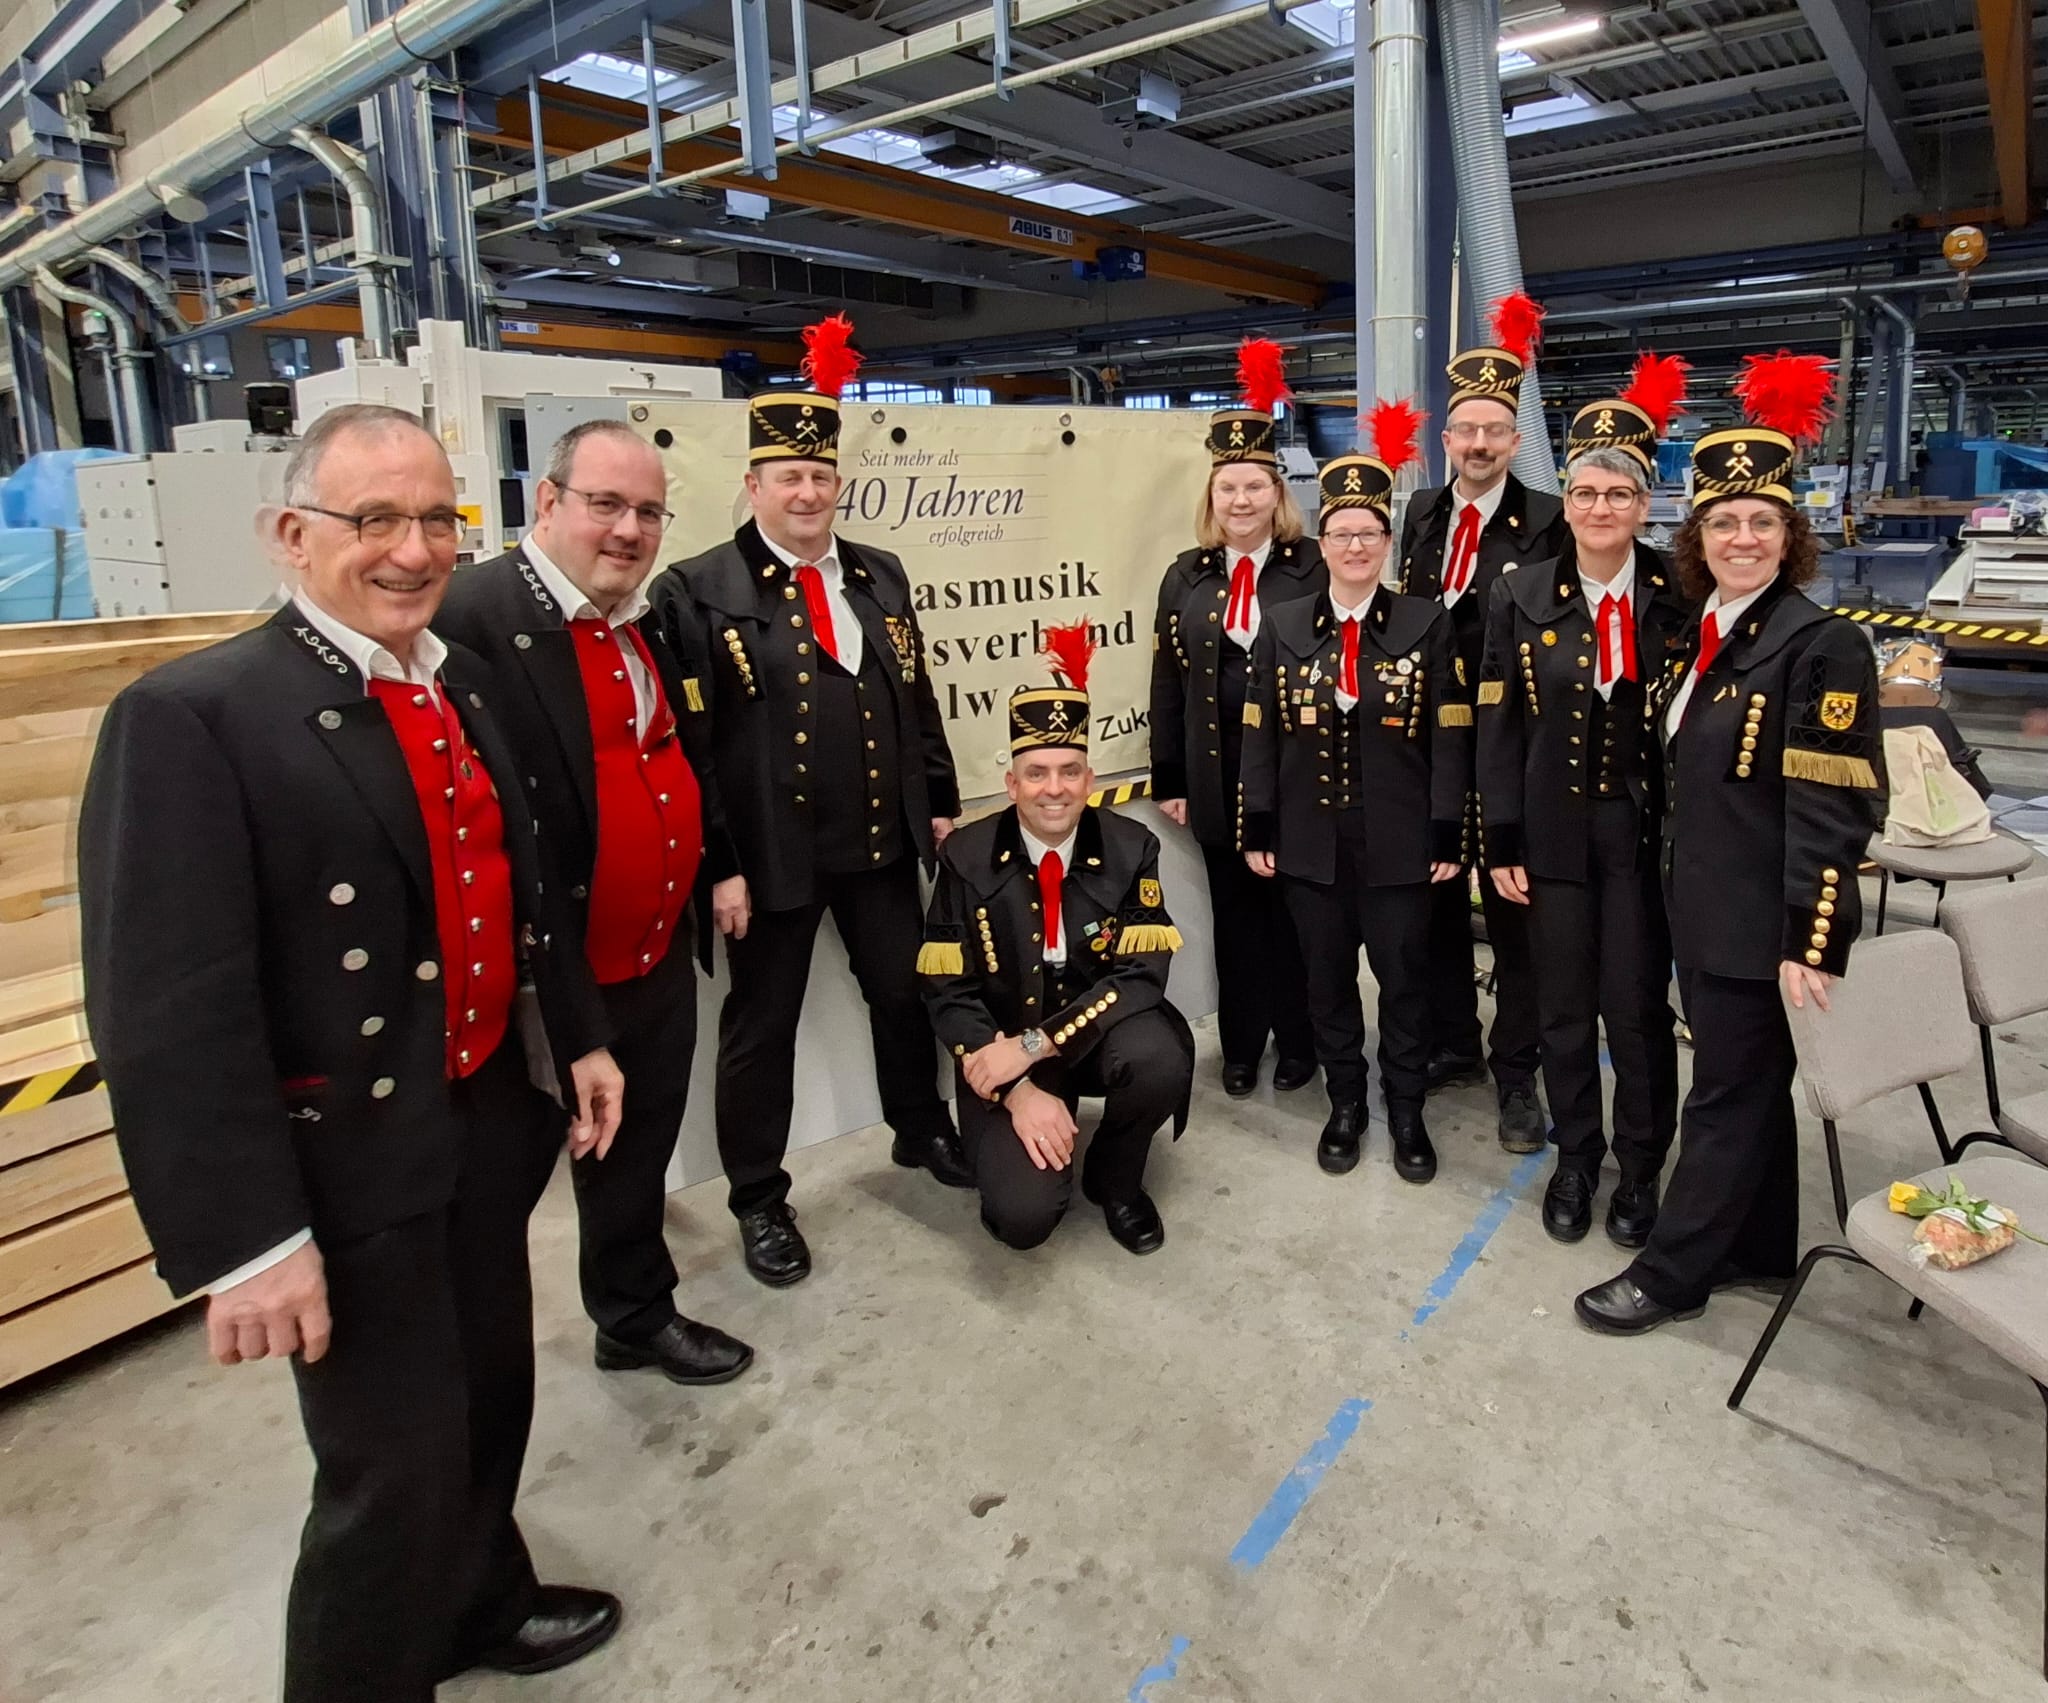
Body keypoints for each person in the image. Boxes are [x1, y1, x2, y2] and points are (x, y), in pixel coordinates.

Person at [79, 403, 628, 1700]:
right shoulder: (195, 715)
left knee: (489, 1392)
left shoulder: (456, 677)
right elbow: (168, 1005)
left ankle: (477, 1600)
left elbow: (521, 881)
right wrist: (247, 1241)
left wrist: (578, 1037)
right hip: (348, 1159)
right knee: (388, 1469)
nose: (413, 549)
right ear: (290, 531)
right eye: (373, 517)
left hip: (480, 1118)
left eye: (437, 518)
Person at [648, 314, 968, 1289]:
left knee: (903, 992)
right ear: (753, 485)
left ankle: (919, 1125)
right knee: (762, 1028)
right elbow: (688, 746)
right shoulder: (696, 588)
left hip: (880, 843)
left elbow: (915, 696)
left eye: (820, 475)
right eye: (787, 476)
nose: (806, 491)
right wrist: (718, 865)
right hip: (769, 856)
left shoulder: (879, 574)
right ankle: (758, 1195)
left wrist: (939, 800)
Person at [434, 419, 753, 1388]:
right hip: (543, 980)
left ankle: (633, 1314)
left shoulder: (641, 617)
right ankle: (465, 1397)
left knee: (636, 1151)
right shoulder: (469, 618)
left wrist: (716, 862)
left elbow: (684, 754)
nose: (628, 529)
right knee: (499, 1195)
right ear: (546, 500)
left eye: (648, 511)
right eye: (605, 504)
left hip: (653, 954)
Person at [1575, 351, 1885, 1334]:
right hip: (1699, 908)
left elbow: (1835, 803)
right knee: (1748, 1084)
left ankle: (1671, 1273)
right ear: (1696, 537)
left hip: (1760, 920)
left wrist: (1811, 933)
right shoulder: (1703, 636)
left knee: (1723, 1093)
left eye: (1761, 521)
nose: (1741, 537)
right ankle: (1757, 1244)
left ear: (1789, 537)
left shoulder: (1819, 643)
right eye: (1723, 522)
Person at [1477, 355, 1695, 1251]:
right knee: (1561, 1005)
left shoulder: (1680, 597)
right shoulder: (1521, 592)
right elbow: (1497, 726)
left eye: (1619, 494)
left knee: (1636, 1010)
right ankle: (1576, 1157)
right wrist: (1500, 841)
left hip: (1643, 838)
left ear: (1645, 506)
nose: (1600, 508)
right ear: (1565, 502)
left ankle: (1640, 1167)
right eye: (1585, 492)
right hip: (1553, 832)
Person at [1240, 403, 1472, 1181]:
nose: (1355, 546)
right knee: (1326, 983)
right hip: (1310, 844)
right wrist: (1258, 826)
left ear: (1386, 541)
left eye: (1369, 532)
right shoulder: (1282, 624)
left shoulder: (1425, 622)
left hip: (1400, 845)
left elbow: (1449, 736)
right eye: (1341, 532)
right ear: (1322, 541)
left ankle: (1405, 1108)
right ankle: (1345, 1103)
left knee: (1405, 985)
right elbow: (1260, 735)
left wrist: (1447, 831)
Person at [919, 624, 1196, 1253]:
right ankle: (1035, 1145)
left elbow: (1140, 978)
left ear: (1089, 780)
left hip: (1087, 1038)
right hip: (998, 1053)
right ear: (1012, 783)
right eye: (1037, 773)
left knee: (1158, 1059)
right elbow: (948, 992)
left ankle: (1116, 1180)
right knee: (1022, 1219)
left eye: (1069, 772)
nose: (1054, 788)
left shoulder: (1132, 848)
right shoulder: (965, 856)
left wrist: (1037, 1046)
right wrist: (1017, 1088)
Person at [1397, 292, 1565, 1154]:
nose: (1479, 443)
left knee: (1512, 914)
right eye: (1465, 428)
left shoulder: (1550, 522)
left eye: (1495, 430)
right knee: (1432, 903)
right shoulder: (1421, 514)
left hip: (1510, 743)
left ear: (1514, 439)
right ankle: (1455, 1042)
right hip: (1430, 743)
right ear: (1446, 437)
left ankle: (1517, 1073)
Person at [1149, 337, 1322, 1098]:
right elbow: (1166, 678)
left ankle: (1301, 1039)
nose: (1241, 500)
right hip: (1217, 778)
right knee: (1236, 918)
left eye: (1255, 486)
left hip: (1295, 777)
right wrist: (1170, 776)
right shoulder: (1185, 575)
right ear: (1212, 496)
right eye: (1228, 488)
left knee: (1296, 917)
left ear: (1277, 494)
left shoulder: (1313, 568)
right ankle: (1244, 1043)